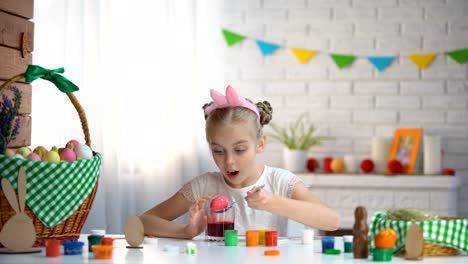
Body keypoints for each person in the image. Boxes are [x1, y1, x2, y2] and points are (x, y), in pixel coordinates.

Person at [139, 85, 339, 239]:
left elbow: (331, 221)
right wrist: (186, 231)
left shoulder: (280, 181)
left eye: (240, 150)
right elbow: (143, 222)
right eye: (218, 151)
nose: (228, 161)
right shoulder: (204, 186)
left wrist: (273, 202)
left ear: (260, 144)